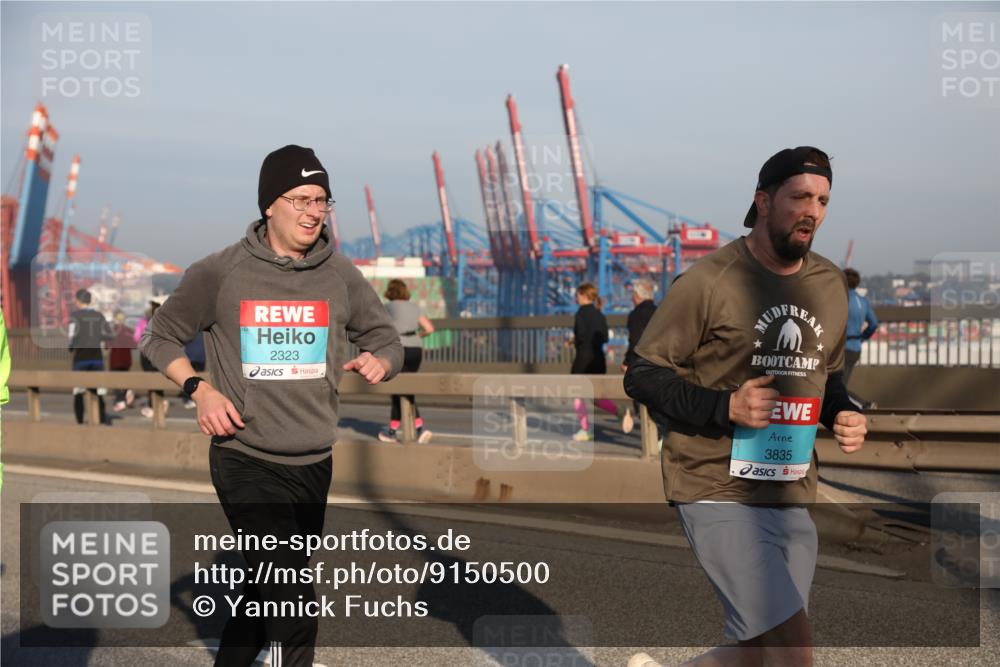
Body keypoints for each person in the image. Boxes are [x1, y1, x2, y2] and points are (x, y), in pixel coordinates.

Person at [141, 144, 403, 667]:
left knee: (262, 601)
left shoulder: (339, 274)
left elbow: (385, 337)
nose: (313, 212)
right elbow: (160, 337)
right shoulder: (219, 272)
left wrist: (383, 361)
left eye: (323, 201)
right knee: (292, 601)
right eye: (301, 199)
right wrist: (200, 389)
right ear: (269, 204)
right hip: (245, 457)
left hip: (312, 463)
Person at [624, 147, 867, 667]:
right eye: (800, 196)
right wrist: (723, 406)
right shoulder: (709, 281)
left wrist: (841, 410)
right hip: (714, 485)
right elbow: (643, 374)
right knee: (792, 651)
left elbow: (826, 374)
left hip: (789, 487)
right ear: (763, 200)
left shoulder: (828, 285)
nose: (813, 211)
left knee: (761, 655)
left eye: (823, 200)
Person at [569, 282, 632, 441]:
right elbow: (604, 337)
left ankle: (586, 429)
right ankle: (619, 411)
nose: (576, 298)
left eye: (577, 295)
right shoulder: (600, 314)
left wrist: (574, 341)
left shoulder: (580, 314)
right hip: (598, 359)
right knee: (596, 395)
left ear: (583, 296)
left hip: (583, 360)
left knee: (577, 395)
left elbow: (582, 336)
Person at [378, 278, 435, 443]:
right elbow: (430, 329)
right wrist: (417, 336)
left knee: (398, 389)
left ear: (390, 292)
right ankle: (404, 429)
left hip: (398, 349)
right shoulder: (415, 308)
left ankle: (410, 429)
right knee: (407, 388)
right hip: (415, 350)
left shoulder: (388, 307)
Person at [67, 289, 113, 425]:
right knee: (98, 391)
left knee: (78, 391)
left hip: (80, 358)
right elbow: (108, 335)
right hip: (96, 357)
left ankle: (80, 421)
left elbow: (71, 337)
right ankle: (101, 418)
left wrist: (71, 348)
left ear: (78, 300)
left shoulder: (74, 316)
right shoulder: (99, 315)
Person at [843, 267, 878, 409]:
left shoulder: (841, 299)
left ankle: (864, 405)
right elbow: (873, 324)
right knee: (837, 385)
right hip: (855, 347)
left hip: (842, 349)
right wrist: (862, 338)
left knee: (835, 386)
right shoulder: (863, 301)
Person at [108, 311, 135, 412]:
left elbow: (107, 346)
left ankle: (120, 401)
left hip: (115, 359)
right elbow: (133, 345)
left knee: (116, 380)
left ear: (115, 318)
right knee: (125, 378)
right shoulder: (128, 330)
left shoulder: (112, 331)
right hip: (126, 359)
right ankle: (127, 392)